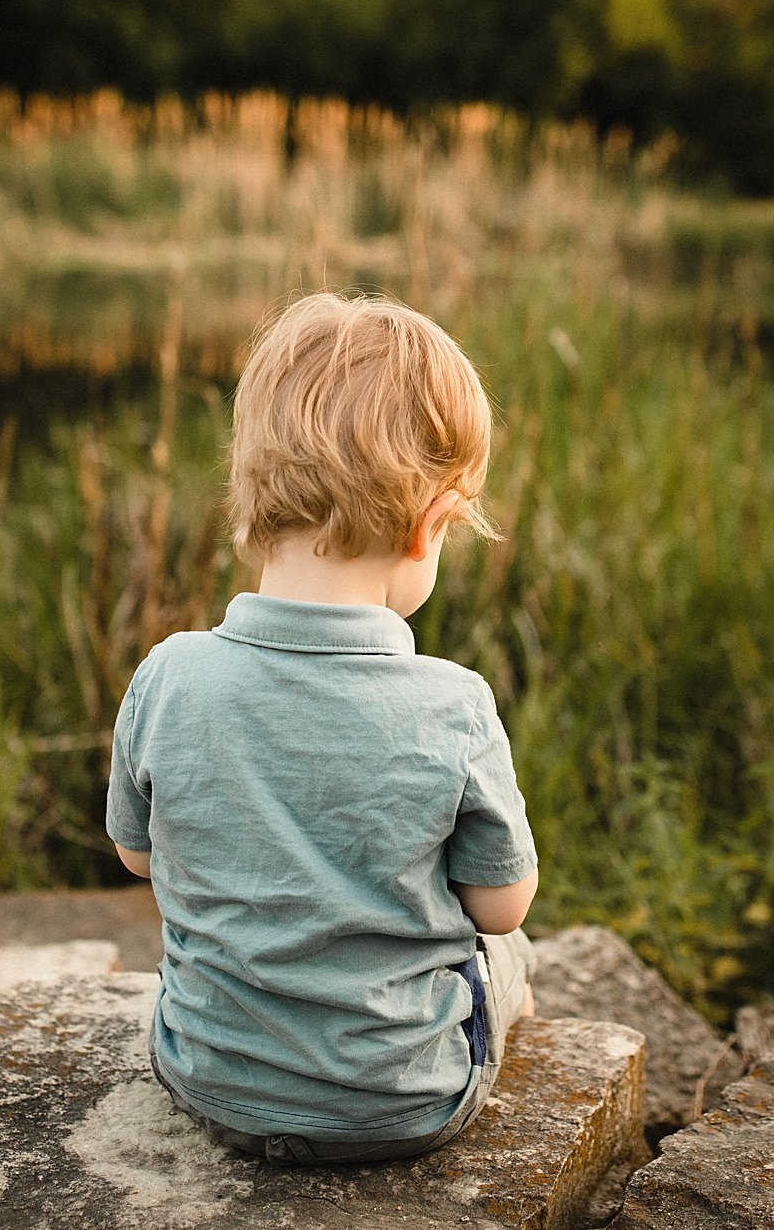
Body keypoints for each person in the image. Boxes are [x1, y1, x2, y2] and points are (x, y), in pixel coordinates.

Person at [105, 289, 540, 1165]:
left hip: (206, 1078)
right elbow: (501, 903)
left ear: (251, 495)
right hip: (403, 1105)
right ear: (427, 528)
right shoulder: (453, 704)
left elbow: (139, 856)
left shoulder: (167, 674)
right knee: (517, 953)